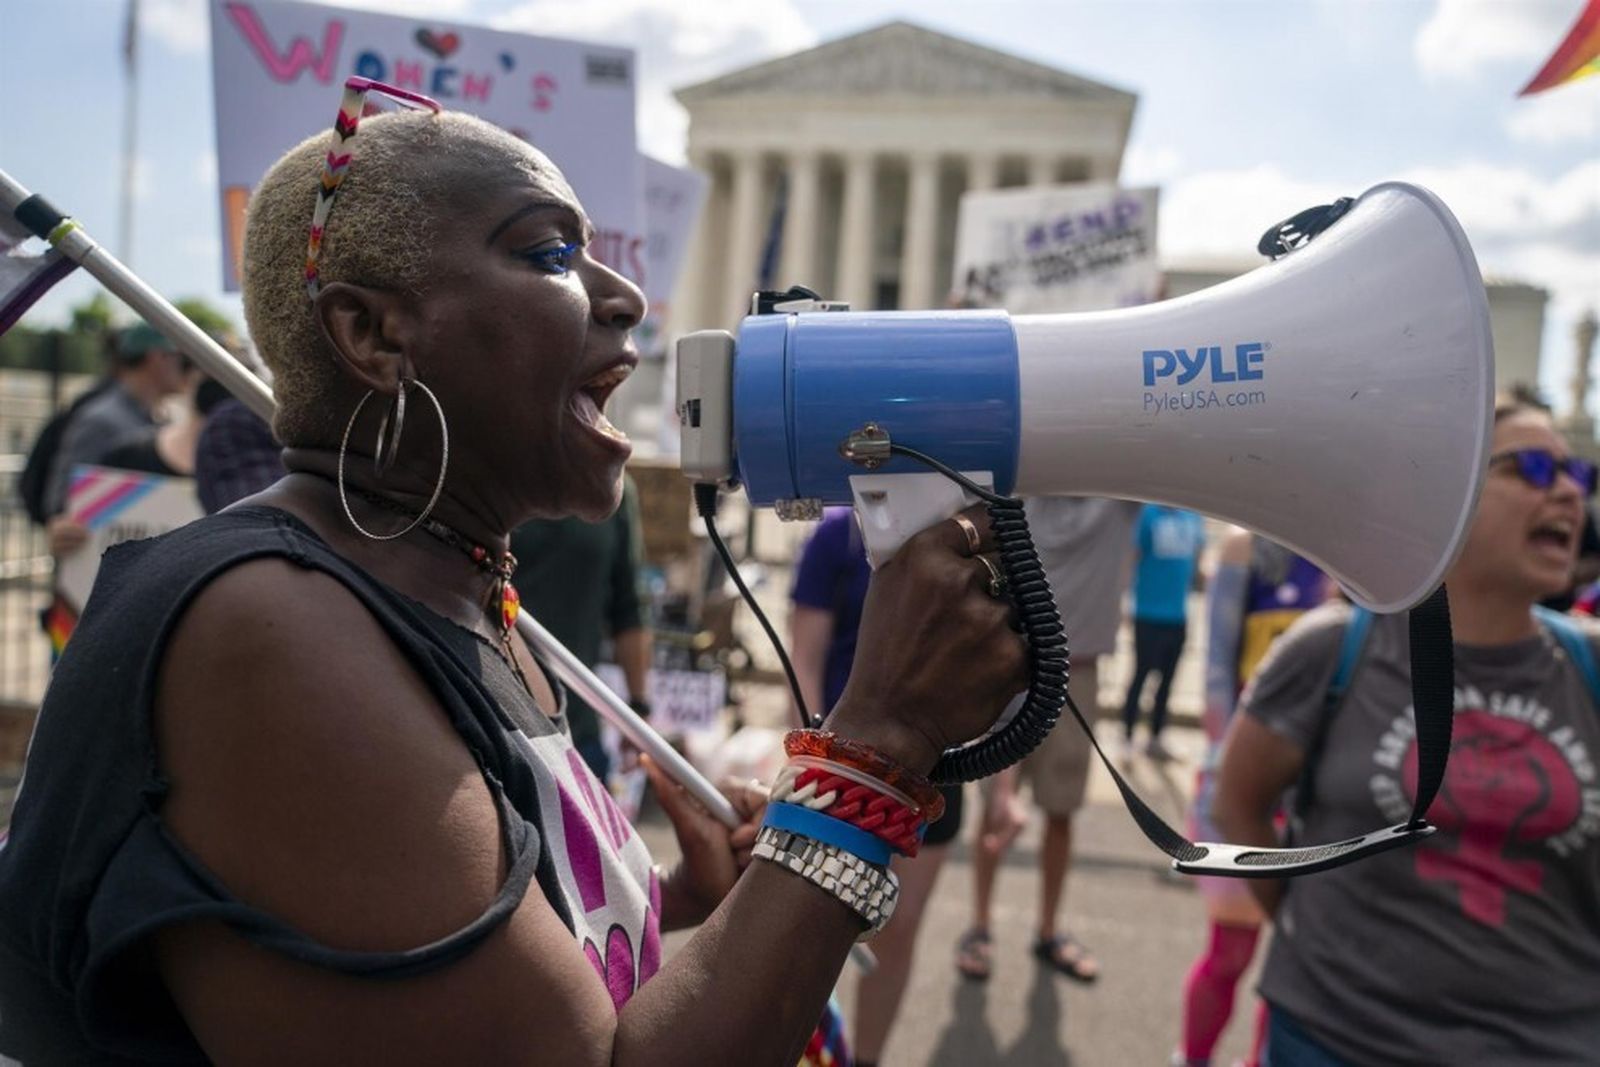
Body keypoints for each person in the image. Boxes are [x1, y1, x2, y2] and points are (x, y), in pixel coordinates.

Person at [0, 85, 1029, 1062]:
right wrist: (877, 740)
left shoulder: (450, 594)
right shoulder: (269, 633)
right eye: (549, 251)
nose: (625, 299)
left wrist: (673, 901)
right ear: (372, 333)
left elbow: (486, 974)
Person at [1213, 388, 1600, 1065]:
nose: (1570, 493)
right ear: (1450, 488)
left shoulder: (1589, 665)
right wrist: (1312, 939)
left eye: (1579, 476)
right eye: (1535, 471)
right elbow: (1238, 805)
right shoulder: (1332, 647)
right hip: (1329, 1038)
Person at [790, 508, 965, 1067]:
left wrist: (1004, 789)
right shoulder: (836, 535)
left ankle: (866, 1059)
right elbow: (806, 659)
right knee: (809, 931)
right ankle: (808, 1050)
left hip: (939, 771)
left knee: (897, 932)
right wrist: (812, 755)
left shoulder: (967, 534)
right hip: (842, 769)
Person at [957, 495, 1140, 983]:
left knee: (1061, 812)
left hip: (1076, 673)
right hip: (1008, 664)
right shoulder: (1021, 490)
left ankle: (1047, 928)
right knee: (994, 812)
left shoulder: (1116, 500)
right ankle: (979, 925)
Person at [1174, 529, 1330, 1067]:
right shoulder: (1245, 552)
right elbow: (1219, 670)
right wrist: (1227, 766)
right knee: (1231, 953)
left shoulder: (1353, 555)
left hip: (1329, 791)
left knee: (1294, 962)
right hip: (1251, 782)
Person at [510, 474, 653, 783]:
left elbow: (629, 609)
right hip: (500, 723)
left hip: (577, 731)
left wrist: (638, 707)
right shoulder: (498, 471)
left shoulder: (612, 488)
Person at [41, 321, 187, 558]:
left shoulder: (161, 419)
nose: (183, 368)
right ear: (156, 358)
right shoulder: (101, 420)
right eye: (178, 357)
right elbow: (64, 499)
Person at [1120, 503, 1206, 763]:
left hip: (1178, 614)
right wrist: (1124, 600)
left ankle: (1156, 737)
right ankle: (1127, 737)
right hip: (1147, 612)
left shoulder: (1193, 516)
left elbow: (1197, 562)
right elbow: (1132, 556)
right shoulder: (1147, 514)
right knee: (1140, 675)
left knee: (1168, 681)